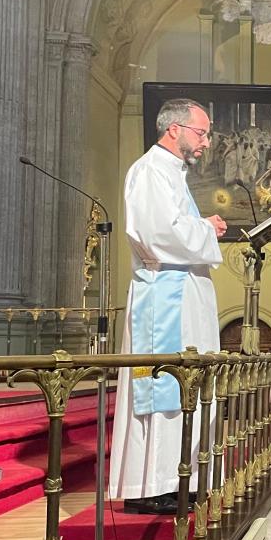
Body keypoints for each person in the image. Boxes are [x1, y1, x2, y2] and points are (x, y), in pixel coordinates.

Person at [109, 98, 226, 515]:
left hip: (181, 296)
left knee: (185, 389)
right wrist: (206, 228)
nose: (206, 142)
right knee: (163, 389)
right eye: (201, 132)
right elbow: (158, 234)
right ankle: (152, 484)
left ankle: (182, 479)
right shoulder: (149, 171)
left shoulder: (171, 174)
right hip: (163, 299)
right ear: (174, 128)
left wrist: (202, 227)